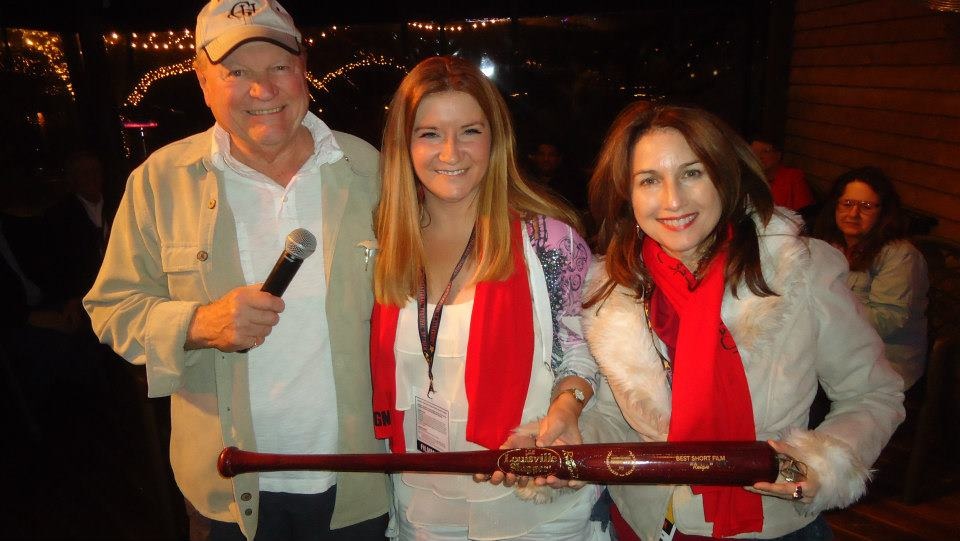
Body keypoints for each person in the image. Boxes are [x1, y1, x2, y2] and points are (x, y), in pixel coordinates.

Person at [83, 1, 390, 539]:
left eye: (278, 67)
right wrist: (200, 323)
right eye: (237, 72)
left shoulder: (367, 168)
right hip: (230, 489)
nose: (262, 90)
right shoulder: (160, 181)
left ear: (303, 71)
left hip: (362, 481)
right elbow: (110, 311)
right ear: (203, 81)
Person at [578, 101, 905, 540]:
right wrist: (567, 445)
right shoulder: (613, 290)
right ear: (626, 193)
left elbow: (874, 392)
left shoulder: (799, 269)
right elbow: (614, 418)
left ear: (726, 175)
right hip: (642, 523)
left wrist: (819, 462)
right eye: (650, 180)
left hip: (774, 525)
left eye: (693, 173)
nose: (673, 200)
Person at [369, 56, 607, 541]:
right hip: (420, 501)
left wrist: (567, 408)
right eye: (429, 133)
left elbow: (585, 351)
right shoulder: (384, 246)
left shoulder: (548, 240)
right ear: (403, 144)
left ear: (496, 140)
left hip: (532, 506)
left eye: (470, 131)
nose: (451, 151)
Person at [812, 166, 929, 389]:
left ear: (883, 212)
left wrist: (822, 315)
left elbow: (888, 319)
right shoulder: (830, 245)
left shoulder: (900, 255)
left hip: (883, 363)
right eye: (847, 204)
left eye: (866, 206)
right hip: (835, 352)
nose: (853, 214)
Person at [750, 137, 815, 214]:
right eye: (754, 152)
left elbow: (806, 213)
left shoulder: (793, 177)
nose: (759, 156)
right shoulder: (749, 177)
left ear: (778, 155)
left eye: (766, 151)